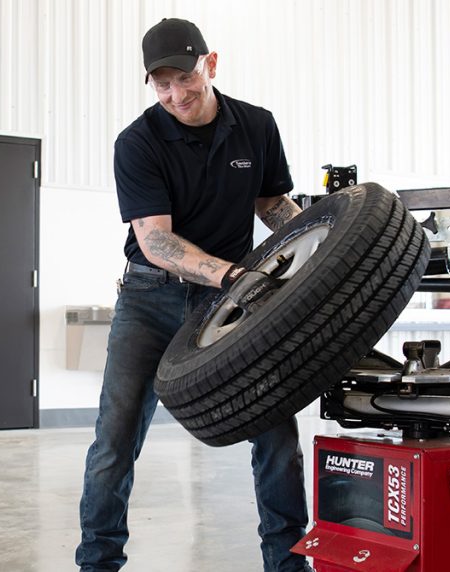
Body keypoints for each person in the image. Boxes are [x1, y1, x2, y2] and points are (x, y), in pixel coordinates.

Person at [76, 18, 311, 572]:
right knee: (115, 438)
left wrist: (326, 247)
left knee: (275, 430)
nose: (176, 95)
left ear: (211, 62)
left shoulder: (256, 126)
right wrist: (228, 274)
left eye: (184, 78)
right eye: (161, 85)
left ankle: (287, 563)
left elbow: (275, 208)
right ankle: (98, 562)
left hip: (230, 301)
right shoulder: (137, 142)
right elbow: (155, 240)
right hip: (151, 299)